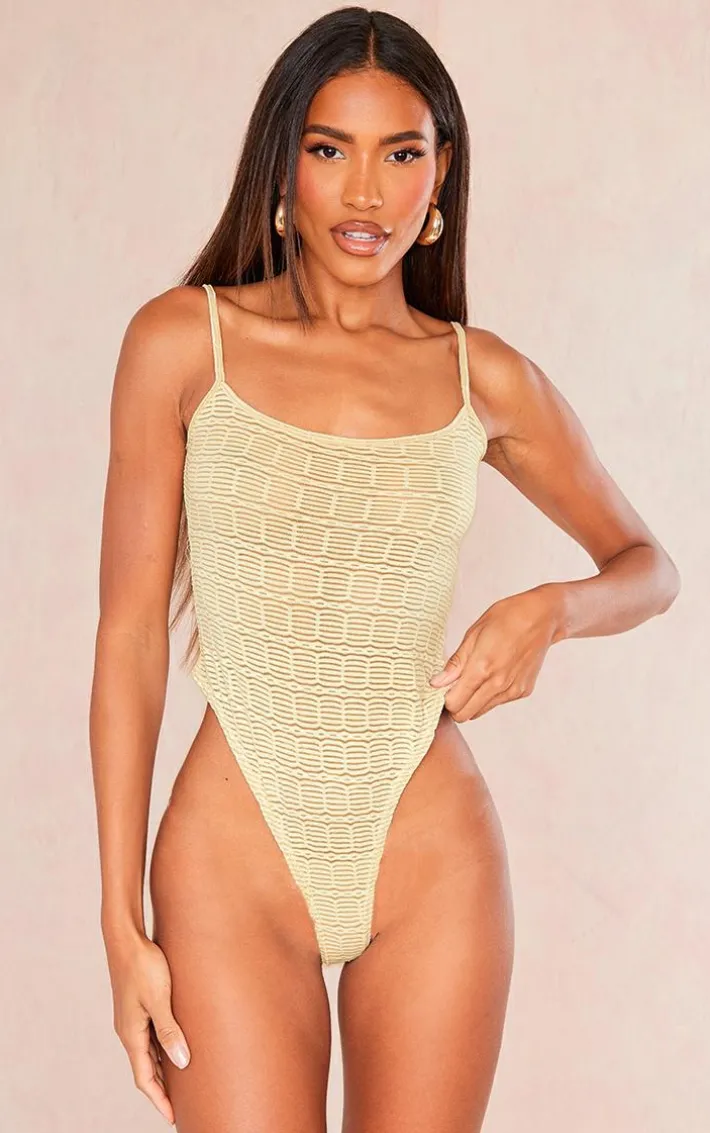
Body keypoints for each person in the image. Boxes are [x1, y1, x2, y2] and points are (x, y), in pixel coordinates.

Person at [89, 7, 680, 1131]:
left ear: (440, 173)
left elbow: (649, 566)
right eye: (330, 149)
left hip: (429, 853)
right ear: (283, 163)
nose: (365, 193)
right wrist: (120, 925)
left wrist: (551, 610)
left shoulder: (482, 377)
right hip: (232, 853)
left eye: (400, 154)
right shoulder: (179, 343)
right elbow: (127, 638)